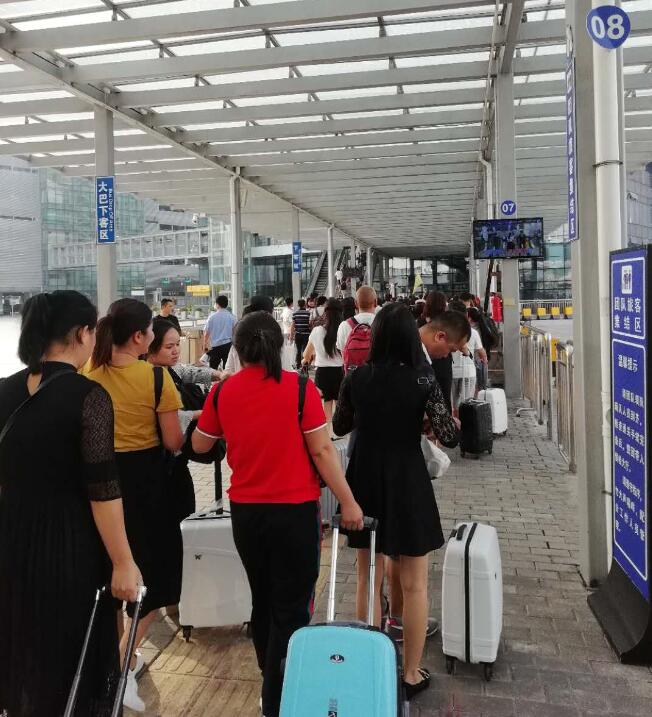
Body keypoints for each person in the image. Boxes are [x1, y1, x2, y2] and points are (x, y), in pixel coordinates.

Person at [191, 311, 364, 717]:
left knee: (264, 599)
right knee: (292, 606)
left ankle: (271, 677)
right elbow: (322, 451)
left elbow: (200, 445)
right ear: (280, 344)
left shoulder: (223, 392)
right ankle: (278, 699)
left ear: (238, 349)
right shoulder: (301, 389)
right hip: (294, 513)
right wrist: (349, 502)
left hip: (246, 514)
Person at [0, 291, 140, 717]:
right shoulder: (89, 396)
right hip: (70, 547)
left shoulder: (3, 391)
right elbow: (103, 491)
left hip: (11, 541)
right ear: (82, 333)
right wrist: (123, 562)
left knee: (22, 649)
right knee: (74, 654)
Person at [332, 303, 461, 701]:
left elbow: (339, 425)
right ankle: (410, 673)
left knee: (367, 576)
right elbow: (449, 435)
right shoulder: (423, 379)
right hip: (407, 480)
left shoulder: (356, 376)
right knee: (415, 583)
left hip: (364, 480)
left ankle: (370, 665)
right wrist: (425, 422)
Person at [86, 298, 184, 713]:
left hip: (98, 486)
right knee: (153, 580)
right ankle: (123, 665)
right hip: (146, 489)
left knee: (110, 574)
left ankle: (116, 658)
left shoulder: (87, 374)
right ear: (140, 337)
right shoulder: (156, 378)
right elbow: (173, 441)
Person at [147, 319, 223, 522]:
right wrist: (201, 413)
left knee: (184, 510)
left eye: (177, 344)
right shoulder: (148, 377)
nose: (176, 351)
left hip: (178, 460)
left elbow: (190, 371)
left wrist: (219, 374)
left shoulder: (170, 369)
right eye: (169, 347)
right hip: (161, 462)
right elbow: (169, 418)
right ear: (150, 348)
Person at [302, 298, 344, 425]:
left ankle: (328, 432)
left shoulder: (317, 331)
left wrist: (306, 359)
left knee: (326, 404)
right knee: (340, 406)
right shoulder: (344, 329)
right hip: (340, 372)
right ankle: (339, 430)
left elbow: (306, 354)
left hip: (322, 374)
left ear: (325, 312)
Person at [419, 291, 453, 413]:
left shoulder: (421, 321)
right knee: (444, 394)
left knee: (425, 394)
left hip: (424, 363)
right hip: (443, 362)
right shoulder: (446, 323)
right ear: (443, 305)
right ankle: (445, 421)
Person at [448, 300, 486, 410]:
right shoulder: (473, 332)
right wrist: (483, 359)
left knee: (452, 405)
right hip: (468, 371)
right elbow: (482, 353)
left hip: (451, 372)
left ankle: (455, 420)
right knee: (467, 405)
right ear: (466, 314)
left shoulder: (446, 332)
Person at [336, 286, 377, 353]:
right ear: (375, 302)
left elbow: (343, 353)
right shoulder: (384, 324)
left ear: (356, 303)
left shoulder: (344, 325)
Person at [203, 295, 238, 370]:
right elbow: (235, 332)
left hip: (215, 347)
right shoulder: (232, 317)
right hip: (228, 345)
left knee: (213, 369)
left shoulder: (212, 317)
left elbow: (206, 333)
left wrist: (205, 345)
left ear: (217, 304)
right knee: (228, 368)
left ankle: (214, 378)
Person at [290, 298, 311, 369]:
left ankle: (298, 364)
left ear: (298, 305)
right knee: (305, 350)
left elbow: (293, 325)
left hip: (298, 334)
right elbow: (310, 324)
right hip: (306, 334)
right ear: (305, 304)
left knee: (298, 350)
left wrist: (291, 335)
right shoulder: (308, 313)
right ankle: (305, 365)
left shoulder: (295, 314)